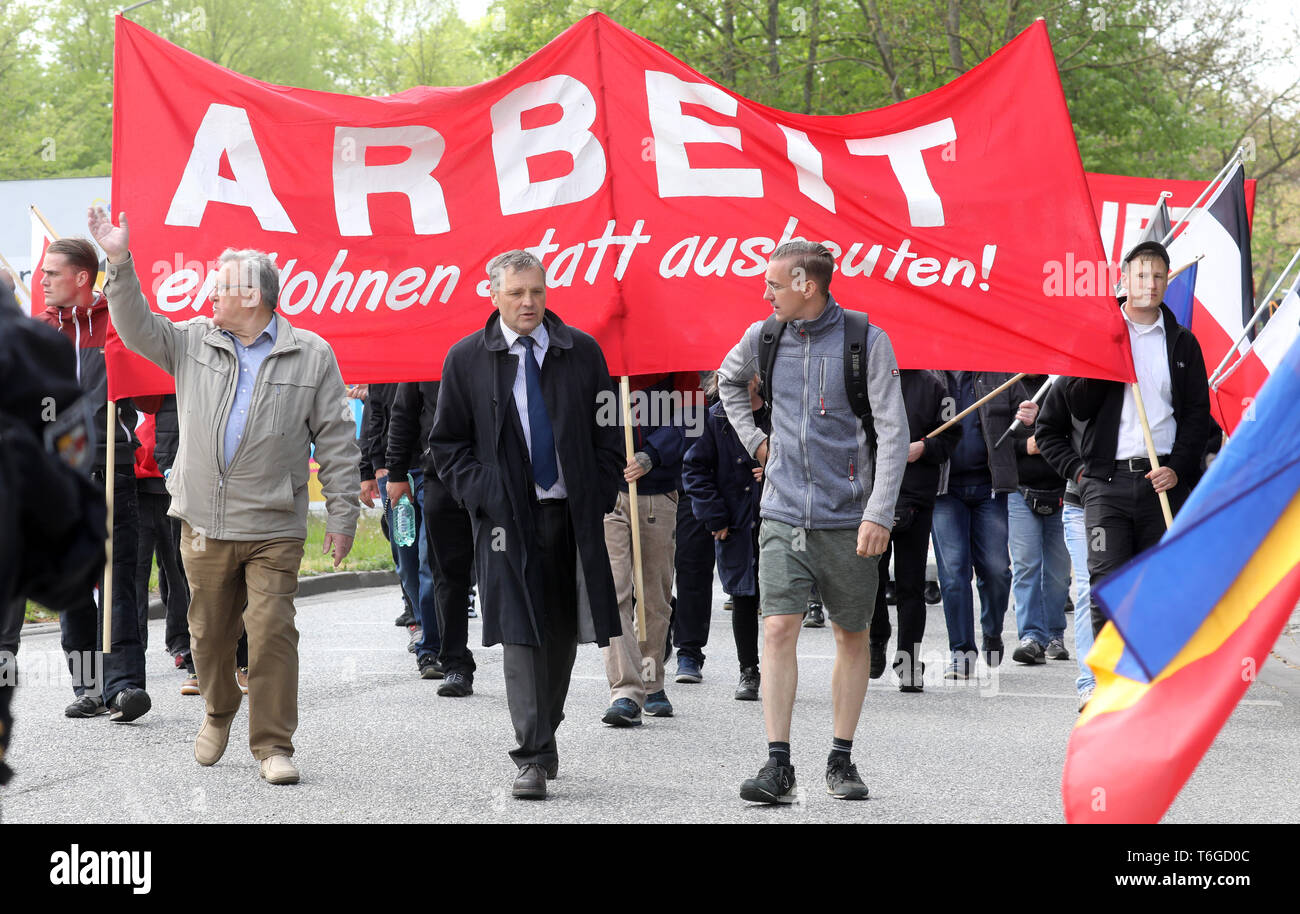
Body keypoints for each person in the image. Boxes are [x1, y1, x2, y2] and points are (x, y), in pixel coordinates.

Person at [91, 207, 361, 786]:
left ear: (256, 296)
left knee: (270, 631)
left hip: (274, 525)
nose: (210, 294)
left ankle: (272, 745)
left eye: (222, 287)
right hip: (205, 523)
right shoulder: (191, 342)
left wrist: (342, 515)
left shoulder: (311, 354)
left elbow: (338, 440)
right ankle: (218, 711)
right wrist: (118, 260)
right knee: (209, 637)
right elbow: (135, 326)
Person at [717, 240, 909, 804]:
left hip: (852, 519)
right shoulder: (763, 337)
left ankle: (841, 758)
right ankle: (778, 764)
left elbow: (894, 433)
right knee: (777, 629)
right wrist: (755, 441)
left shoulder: (866, 341)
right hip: (781, 512)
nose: (765, 292)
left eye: (773, 284)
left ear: (807, 284)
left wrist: (878, 512)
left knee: (852, 635)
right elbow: (728, 381)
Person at [428, 249, 622, 800]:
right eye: (516, 293)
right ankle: (530, 756)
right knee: (519, 630)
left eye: (536, 290)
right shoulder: (466, 358)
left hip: (571, 515)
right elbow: (447, 444)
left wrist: (599, 486)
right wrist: (485, 493)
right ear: (494, 295)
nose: (529, 302)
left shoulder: (581, 352)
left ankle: (545, 732)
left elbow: (608, 428)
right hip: (504, 522)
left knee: (561, 632)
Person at [1035, 240, 1212, 638]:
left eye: (1158, 276)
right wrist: (1081, 474)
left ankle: (1148, 692)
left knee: (1157, 591)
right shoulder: (1097, 335)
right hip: (1106, 487)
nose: (1150, 284)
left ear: (1168, 283)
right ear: (1124, 279)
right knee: (1107, 590)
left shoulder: (1183, 343)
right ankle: (1109, 691)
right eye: (1141, 275)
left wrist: (1177, 469)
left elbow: (1197, 418)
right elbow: (1073, 409)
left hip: (1161, 484)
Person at [34, 236, 151, 723]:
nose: (40, 283)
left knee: (118, 581)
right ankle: (88, 686)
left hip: (112, 470)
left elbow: (150, 395)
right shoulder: (37, 332)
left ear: (82, 278)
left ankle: (124, 687)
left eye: (50, 274)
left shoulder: (118, 325)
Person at [930, 371, 1037, 678]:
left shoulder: (999, 372)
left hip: (989, 488)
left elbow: (1028, 421)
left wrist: (1031, 417)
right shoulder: (931, 375)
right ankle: (961, 653)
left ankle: (992, 629)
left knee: (996, 571)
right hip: (944, 490)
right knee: (952, 575)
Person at [600, 373, 686, 726]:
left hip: (656, 492)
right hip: (606, 492)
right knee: (614, 590)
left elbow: (690, 418)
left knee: (654, 594)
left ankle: (651, 682)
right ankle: (624, 689)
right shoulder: (593, 357)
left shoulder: (676, 364)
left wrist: (653, 454)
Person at [868, 369, 960, 691]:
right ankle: (876, 639)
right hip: (872, 494)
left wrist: (924, 447)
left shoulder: (936, 387)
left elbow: (951, 432)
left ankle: (908, 663)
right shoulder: (868, 378)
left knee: (911, 585)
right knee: (872, 579)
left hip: (916, 497)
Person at [387, 381, 478, 697]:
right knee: (441, 572)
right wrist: (396, 472)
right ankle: (450, 661)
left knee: (507, 571)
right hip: (439, 475)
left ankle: (527, 658)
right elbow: (402, 414)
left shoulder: (499, 347)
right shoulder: (425, 353)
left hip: (495, 472)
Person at [682, 372, 768, 701]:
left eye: (741, 381)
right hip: (734, 521)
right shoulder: (714, 417)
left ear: (756, 380)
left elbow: (803, 455)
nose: (733, 389)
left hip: (778, 516)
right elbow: (695, 470)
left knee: (779, 599)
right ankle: (749, 670)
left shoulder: (778, 412)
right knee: (743, 595)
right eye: (727, 382)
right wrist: (714, 515)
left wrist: (774, 466)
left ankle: (778, 666)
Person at [1006, 374, 1071, 665]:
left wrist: (1042, 426)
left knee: (1057, 574)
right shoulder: (1006, 385)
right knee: (1026, 567)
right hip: (1021, 491)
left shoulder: (1063, 383)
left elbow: (1079, 431)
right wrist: (1024, 446)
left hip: (1062, 490)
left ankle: (1055, 634)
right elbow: (993, 440)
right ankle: (1031, 636)